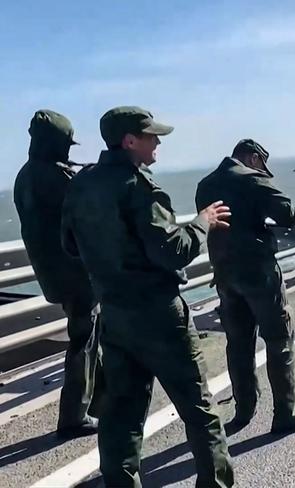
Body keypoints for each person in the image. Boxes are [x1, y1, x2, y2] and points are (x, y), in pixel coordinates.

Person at [61, 106, 234, 488]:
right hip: (158, 315)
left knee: (119, 417)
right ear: (130, 141)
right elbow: (172, 251)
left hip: (115, 315)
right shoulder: (139, 188)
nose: (158, 142)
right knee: (199, 408)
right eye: (152, 136)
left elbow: (69, 245)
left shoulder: (82, 184)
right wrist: (202, 222)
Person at [195, 139, 295, 435]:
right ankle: (286, 413)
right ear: (253, 158)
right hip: (258, 273)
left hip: (224, 274)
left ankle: (244, 409)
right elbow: (288, 214)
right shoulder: (253, 180)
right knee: (278, 339)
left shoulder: (205, 184)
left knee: (238, 343)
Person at [13, 109, 101, 438]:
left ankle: (91, 402)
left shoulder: (27, 174)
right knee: (84, 340)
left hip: (53, 272)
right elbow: (87, 204)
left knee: (89, 337)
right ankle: (74, 416)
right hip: (73, 272)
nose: (68, 152)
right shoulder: (51, 177)